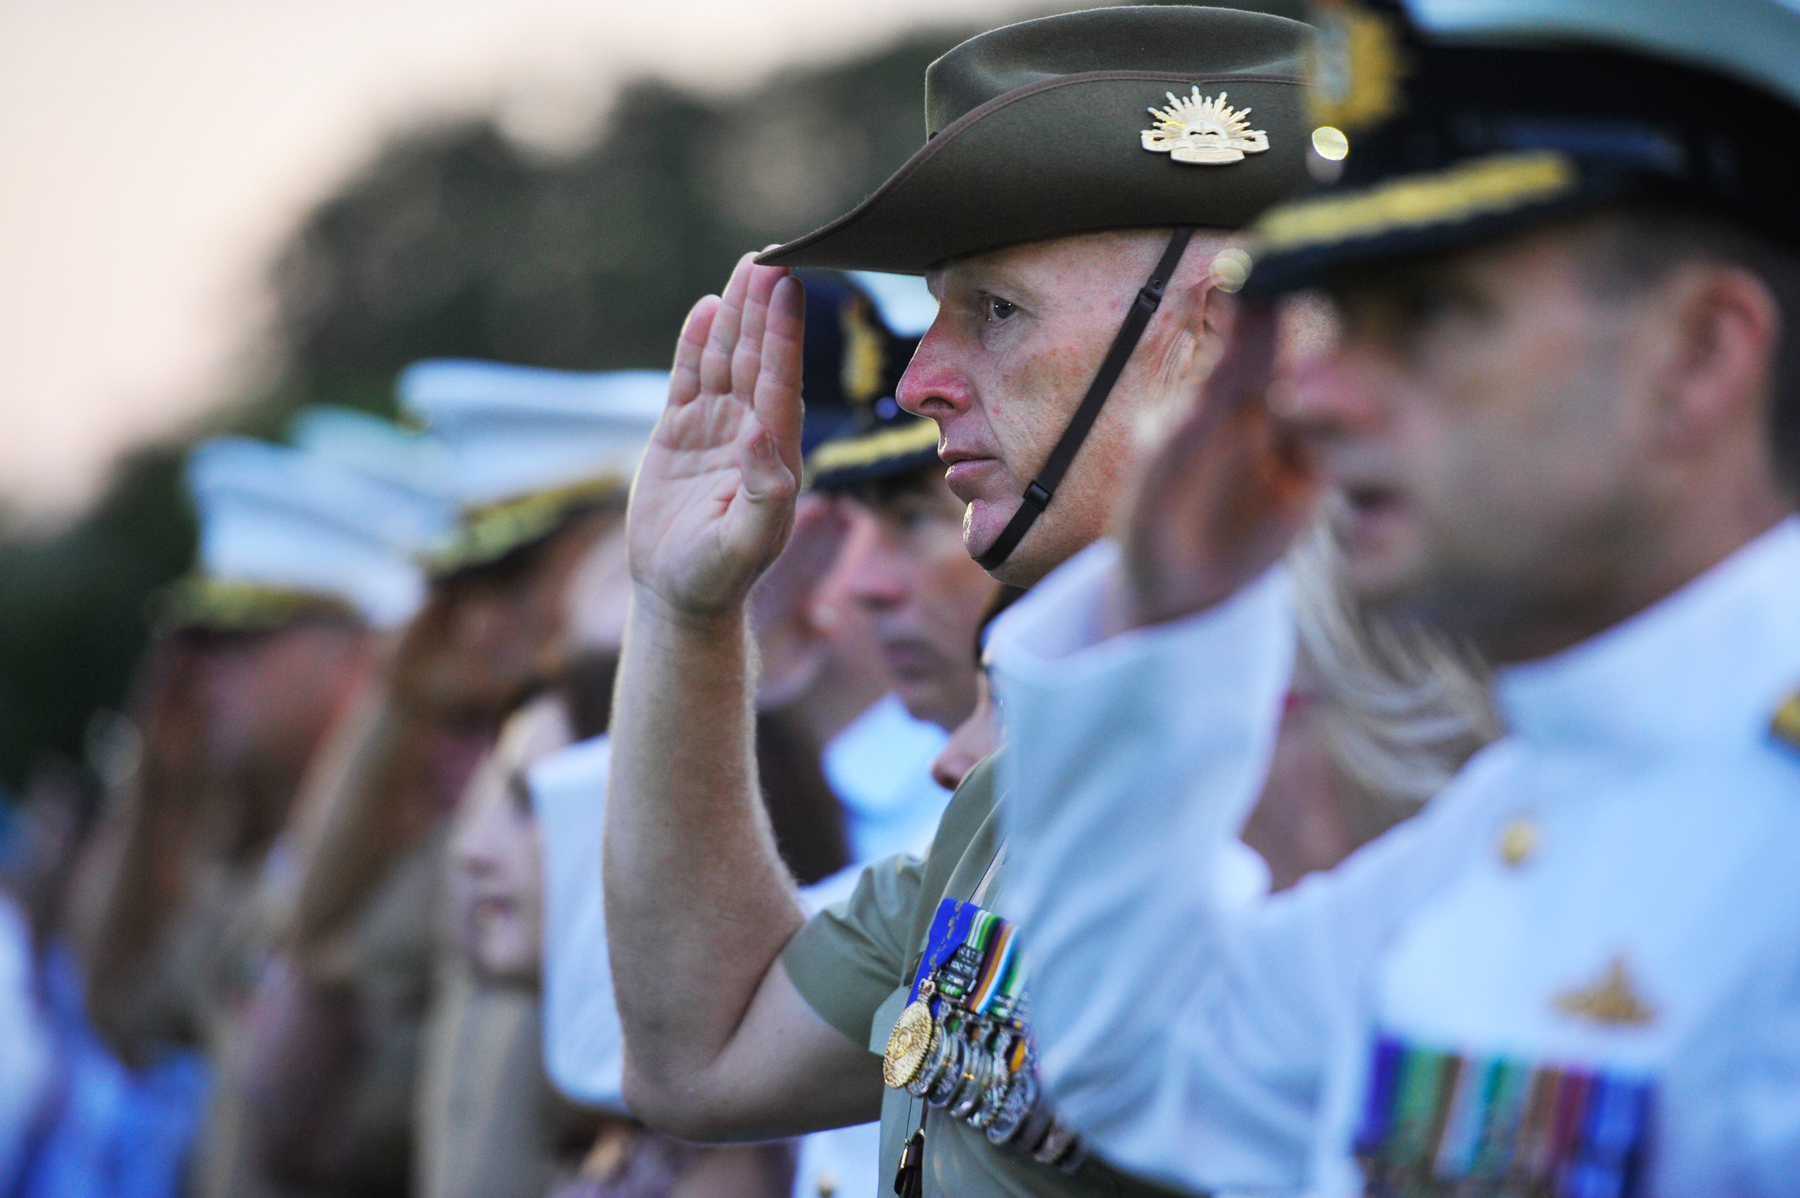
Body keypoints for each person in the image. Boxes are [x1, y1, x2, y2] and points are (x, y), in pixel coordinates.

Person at [991, 0, 1800, 1193]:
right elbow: (1151, 1057)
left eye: (1425, 314)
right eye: (1339, 317)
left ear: (1702, 355)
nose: (1316, 397)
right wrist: (1170, 631)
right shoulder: (1524, 806)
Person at [602, 9, 1332, 1197]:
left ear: (1218, 337)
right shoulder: (1031, 773)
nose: (918, 382)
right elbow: (703, 1056)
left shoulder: (1385, 747)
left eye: (995, 310)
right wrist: (684, 613)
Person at [237, 365, 663, 1197]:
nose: (473, 621)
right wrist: (397, 703)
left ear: (622, 541)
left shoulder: (646, 796)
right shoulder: (502, 793)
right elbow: (319, 938)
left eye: (513, 576)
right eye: (462, 586)